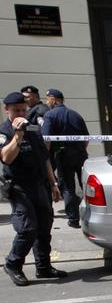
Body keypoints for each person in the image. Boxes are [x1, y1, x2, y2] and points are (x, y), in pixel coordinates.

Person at [0, 92, 66, 286]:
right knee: (27, 229)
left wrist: (53, 184)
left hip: (39, 185)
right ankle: (13, 264)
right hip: (19, 187)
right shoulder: (4, 132)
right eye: (16, 110)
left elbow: (45, 159)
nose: (21, 114)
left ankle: (43, 267)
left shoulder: (34, 129)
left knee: (44, 227)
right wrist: (18, 136)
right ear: (7, 110)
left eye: (23, 110)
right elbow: (6, 158)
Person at [41, 88, 89, 228]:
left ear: (54, 99)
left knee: (67, 187)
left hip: (63, 155)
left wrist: (45, 157)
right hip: (81, 154)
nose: (47, 103)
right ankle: (91, 215)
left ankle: (73, 219)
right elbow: (86, 138)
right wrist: (80, 150)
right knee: (85, 185)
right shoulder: (76, 114)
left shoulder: (50, 115)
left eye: (48, 99)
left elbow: (46, 139)